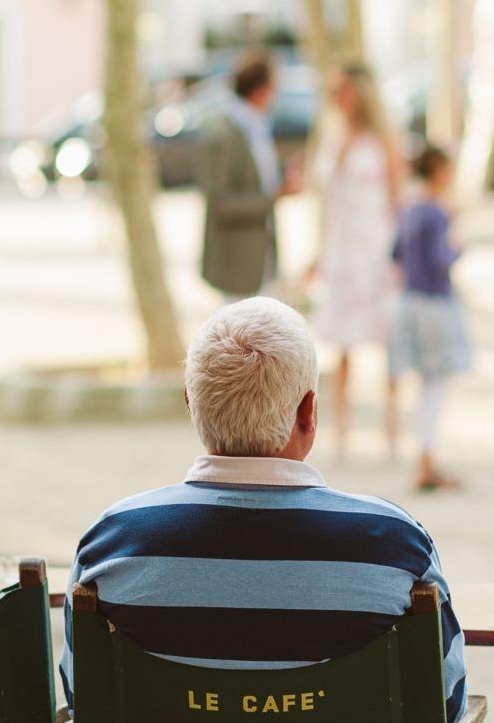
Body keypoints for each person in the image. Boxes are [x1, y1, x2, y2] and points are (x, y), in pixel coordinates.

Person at [61, 297, 466, 723]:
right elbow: (443, 710)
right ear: (310, 413)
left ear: (191, 406)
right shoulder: (393, 545)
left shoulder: (113, 545)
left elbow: (89, 706)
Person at [311, 62, 404, 460]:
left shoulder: (384, 140)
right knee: (340, 346)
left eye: (341, 90)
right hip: (343, 247)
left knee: (389, 342)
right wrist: (317, 252)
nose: (335, 99)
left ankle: (392, 432)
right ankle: (341, 434)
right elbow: (325, 204)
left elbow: (398, 200)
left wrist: (401, 254)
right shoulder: (332, 139)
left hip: (377, 247)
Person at [389, 147, 472, 491]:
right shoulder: (437, 212)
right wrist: (459, 248)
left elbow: (394, 253)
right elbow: (440, 261)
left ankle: (425, 460)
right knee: (435, 387)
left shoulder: (409, 207)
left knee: (425, 386)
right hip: (435, 305)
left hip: (410, 301)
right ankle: (425, 462)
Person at [197, 52, 304, 298]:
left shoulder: (257, 126)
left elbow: (257, 178)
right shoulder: (223, 133)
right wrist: (274, 195)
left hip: (260, 257)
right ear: (260, 89)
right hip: (236, 261)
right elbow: (220, 201)